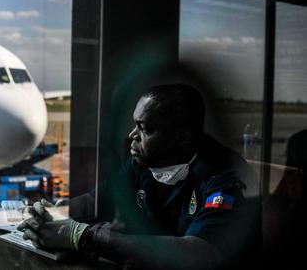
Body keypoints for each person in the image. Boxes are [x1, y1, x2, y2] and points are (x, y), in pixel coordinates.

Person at [18, 84, 261, 269]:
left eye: (146, 129)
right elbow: (96, 200)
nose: (132, 135)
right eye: (135, 125)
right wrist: (54, 214)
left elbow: (200, 253)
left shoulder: (226, 178)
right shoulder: (145, 161)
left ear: (183, 137)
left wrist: (82, 235)